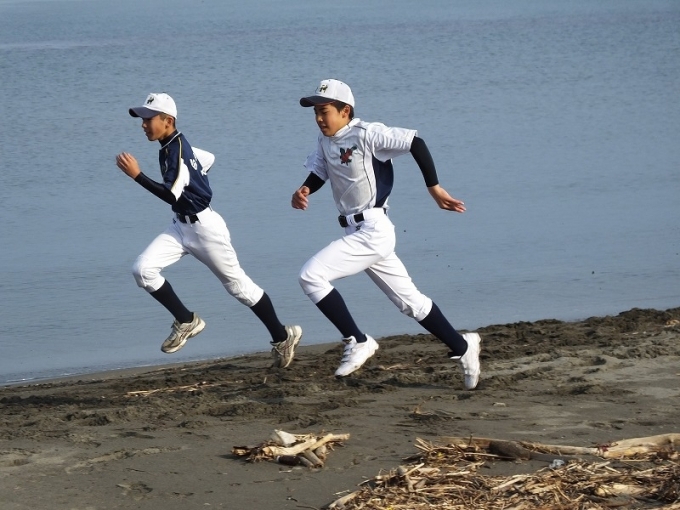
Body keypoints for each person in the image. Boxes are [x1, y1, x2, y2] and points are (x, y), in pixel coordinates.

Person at [291, 79, 481, 389]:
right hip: (357, 230)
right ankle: (463, 346)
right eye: (315, 113)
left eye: (324, 111)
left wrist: (434, 189)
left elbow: (415, 142)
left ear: (345, 110)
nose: (319, 118)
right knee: (411, 303)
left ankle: (358, 340)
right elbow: (320, 171)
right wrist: (304, 189)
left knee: (311, 276)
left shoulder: (368, 134)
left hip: (373, 230)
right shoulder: (325, 141)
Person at [116, 92, 301, 367]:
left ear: (168, 121)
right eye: (142, 119)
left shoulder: (176, 150)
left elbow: (170, 194)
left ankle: (282, 336)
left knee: (239, 288)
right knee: (142, 270)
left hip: (206, 230)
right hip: (180, 226)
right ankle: (186, 321)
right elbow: (207, 159)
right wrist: (197, 178)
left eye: (148, 119)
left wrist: (137, 176)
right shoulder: (174, 145)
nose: (143, 124)